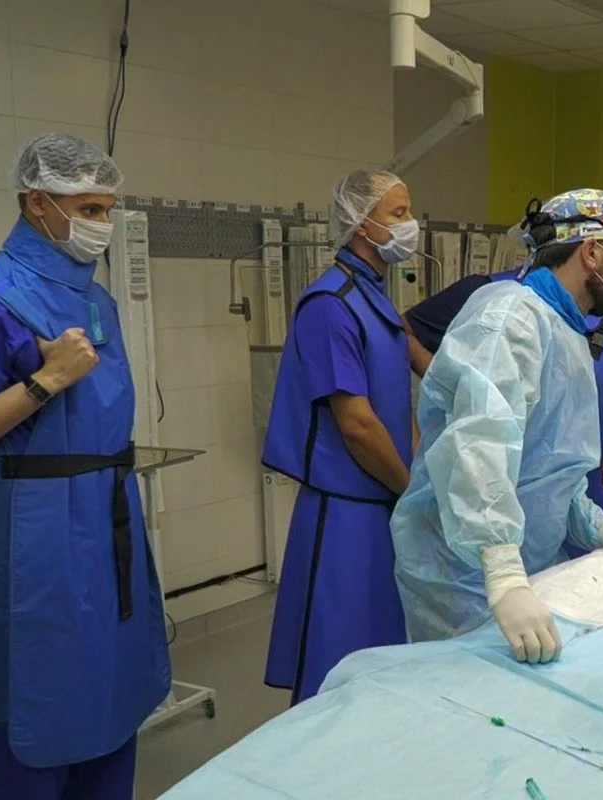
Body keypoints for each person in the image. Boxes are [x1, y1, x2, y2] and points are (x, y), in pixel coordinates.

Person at [0, 133, 170, 799]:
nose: (102, 225)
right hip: (41, 532)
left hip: (109, 516)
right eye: (88, 210)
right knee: (44, 701)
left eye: (106, 209)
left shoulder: (96, 300)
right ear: (37, 203)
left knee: (115, 691)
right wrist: (44, 381)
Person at [390, 189, 603, 666]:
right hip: (465, 574)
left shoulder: (563, 329)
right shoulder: (510, 319)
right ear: (592, 252)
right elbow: (477, 451)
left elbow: (553, 476)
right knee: (461, 695)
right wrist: (504, 576)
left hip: (514, 567)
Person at [262, 169, 416, 704]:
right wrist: (410, 490)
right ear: (361, 223)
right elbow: (357, 424)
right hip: (345, 514)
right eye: (398, 214)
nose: (410, 225)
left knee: (381, 661)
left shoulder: (374, 300)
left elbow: (396, 400)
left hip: (382, 502)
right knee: (338, 672)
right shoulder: (330, 304)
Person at [403, 256, 603, 524]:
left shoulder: (602, 311)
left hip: (580, 486)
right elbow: (480, 464)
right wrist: (456, 386)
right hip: (494, 495)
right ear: (590, 251)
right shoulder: (499, 304)